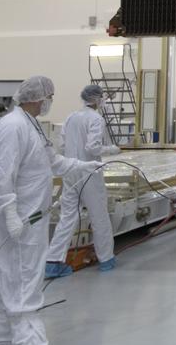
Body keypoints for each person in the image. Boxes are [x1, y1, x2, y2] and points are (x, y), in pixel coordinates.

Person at [0, 76, 104, 345]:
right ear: (37, 98)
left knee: (12, 282)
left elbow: (52, 161)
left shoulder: (31, 124)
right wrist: (10, 213)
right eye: (49, 96)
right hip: (19, 220)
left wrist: (83, 166)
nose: (50, 101)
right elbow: (2, 175)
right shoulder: (14, 126)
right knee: (25, 282)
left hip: (30, 216)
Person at [44, 85, 122, 279]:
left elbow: (62, 145)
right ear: (96, 100)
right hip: (89, 173)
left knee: (67, 216)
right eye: (102, 97)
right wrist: (112, 150)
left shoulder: (71, 117)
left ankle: (53, 262)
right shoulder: (96, 119)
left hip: (70, 171)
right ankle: (106, 259)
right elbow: (93, 148)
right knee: (99, 217)